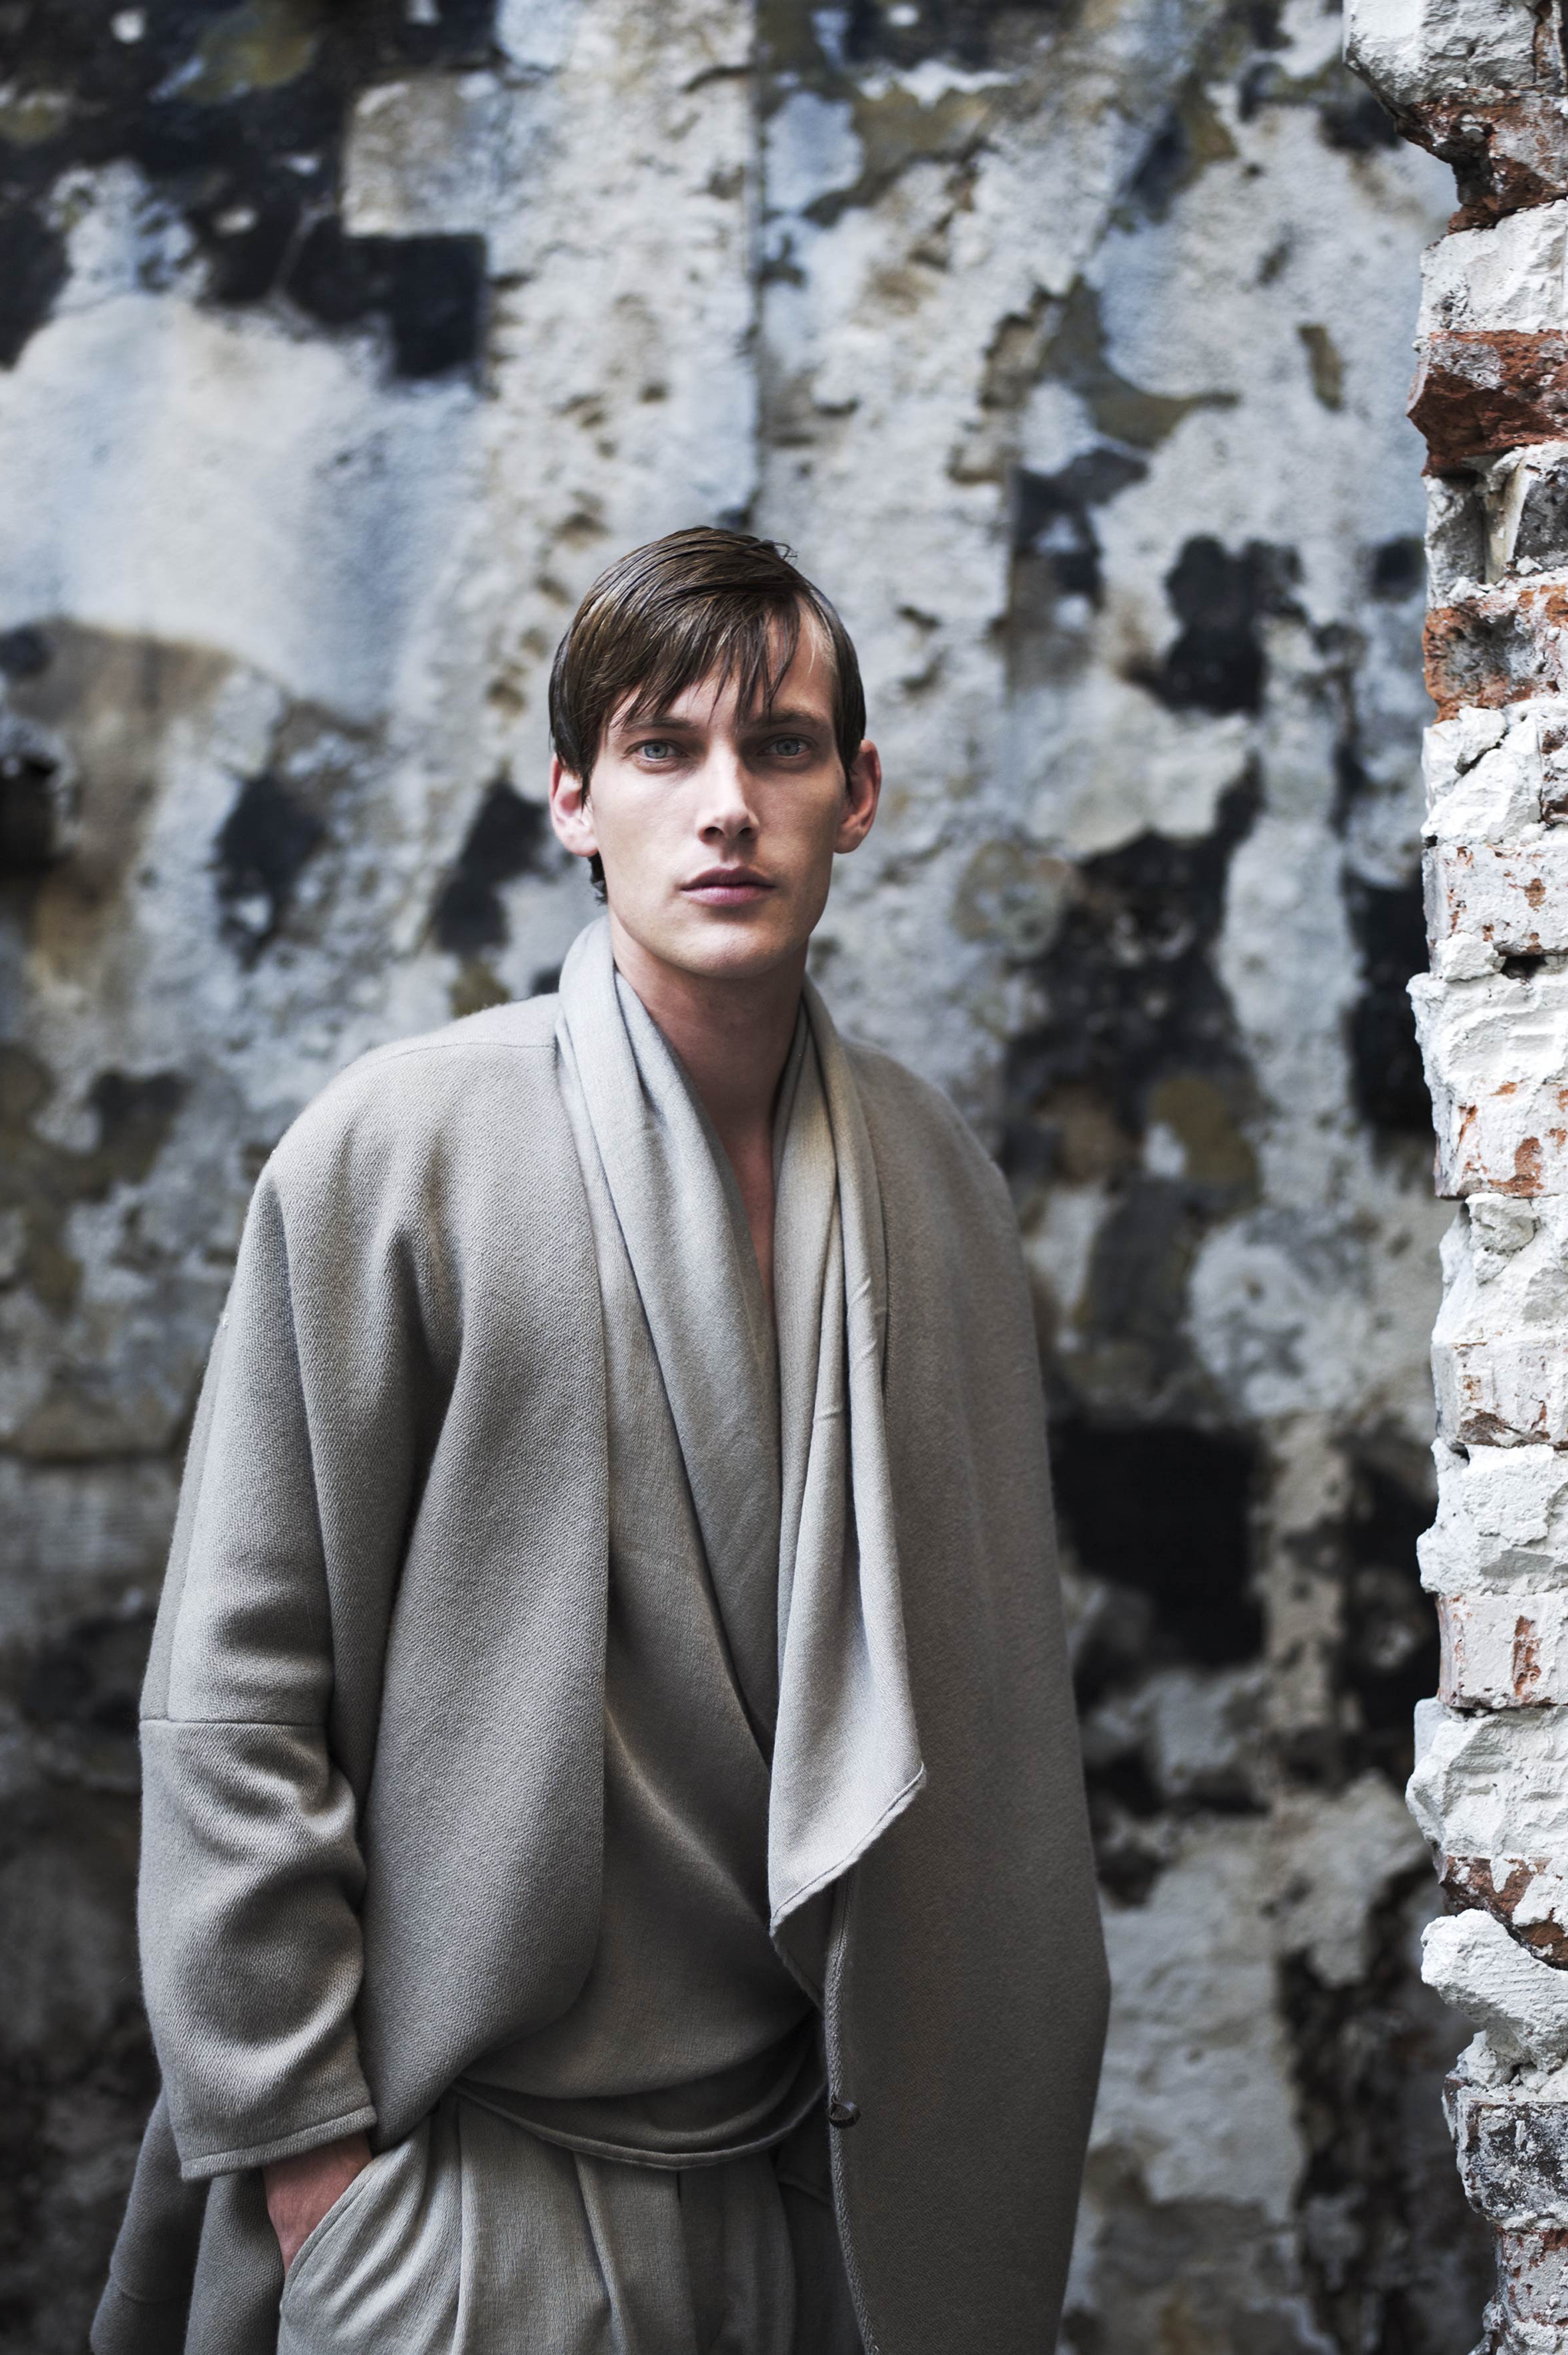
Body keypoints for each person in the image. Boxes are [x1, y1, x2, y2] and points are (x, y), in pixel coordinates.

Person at [92, 528, 1107, 2355]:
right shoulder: (397, 1148)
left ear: (855, 794)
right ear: (573, 797)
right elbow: (239, 1685)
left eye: (781, 748)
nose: (727, 806)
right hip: (467, 2191)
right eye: (663, 750)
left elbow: (993, 1710)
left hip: (809, 2195)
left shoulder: (932, 1181)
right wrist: (315, 2164)